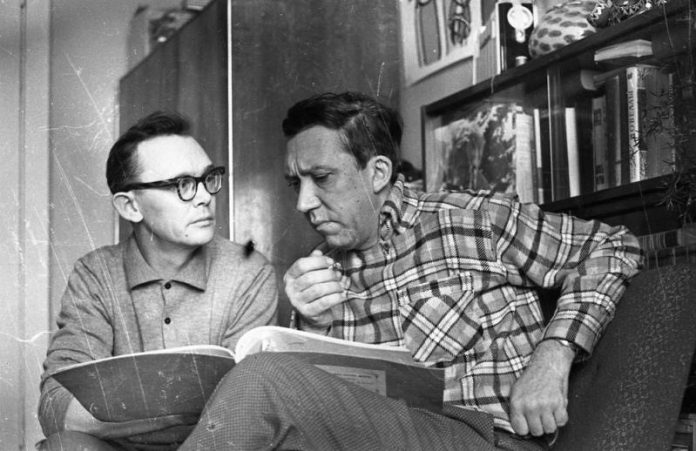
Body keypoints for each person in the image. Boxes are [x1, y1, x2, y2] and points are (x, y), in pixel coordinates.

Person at [178, 92, 642, 450]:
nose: (303, 203)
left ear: (378, 173)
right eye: (294, 183)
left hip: (486, 439)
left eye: (321, 178)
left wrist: (554, 355)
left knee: (262, 378)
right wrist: (312, 324)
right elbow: (331, 412)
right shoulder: (320, 268)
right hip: (380, 438)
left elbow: (612, 246)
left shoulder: (473, 220)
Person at [38, 111, 278, 450]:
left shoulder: (249, 270)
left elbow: (242, 412)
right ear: (130, 206)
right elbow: (55, 405)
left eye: (209, 178)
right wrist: (181, 412)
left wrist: (116, 417)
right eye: (182, 184)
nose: (205, 196)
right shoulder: (95, 273)